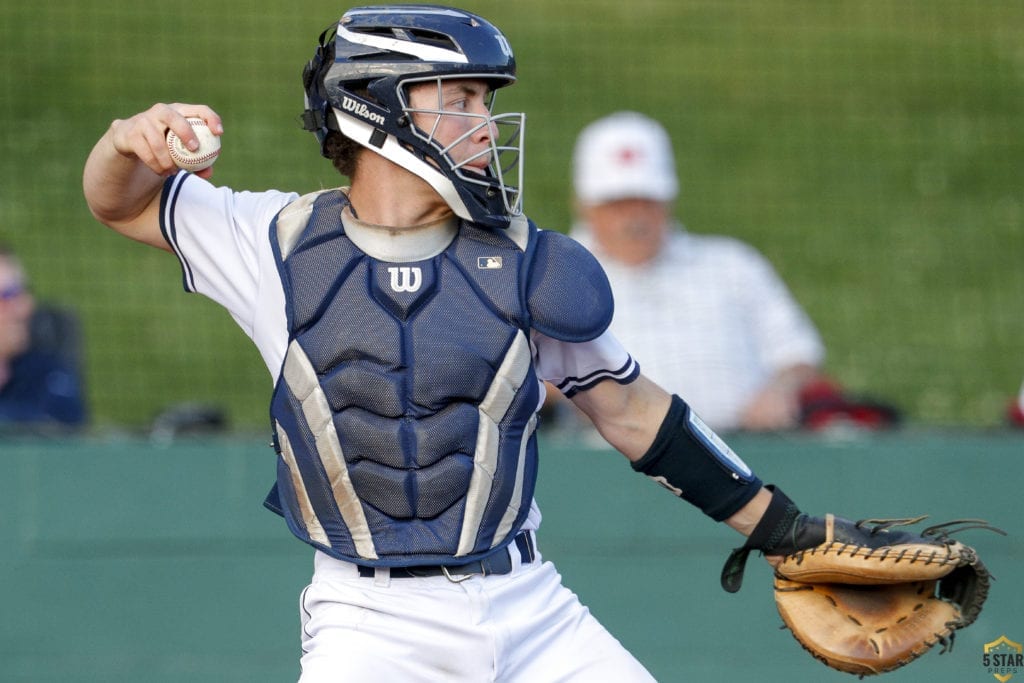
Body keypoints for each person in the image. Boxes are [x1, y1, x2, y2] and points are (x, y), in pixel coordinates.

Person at [82, 6, 849, 680]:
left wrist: (785, 531)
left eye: (485, 98)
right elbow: (115, 203)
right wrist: (125, 142)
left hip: (528, 604)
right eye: (461, 99)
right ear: (379, 109)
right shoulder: (273, 241)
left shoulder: (527, 261)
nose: (484, 121)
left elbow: (636, 413)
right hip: (366, 620)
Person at [568, 111, 897, 433]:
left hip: (746, 454)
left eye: (646, 201)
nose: (633, 219)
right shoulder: (556, 277)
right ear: (583, 204)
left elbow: (799, 354)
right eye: (617, 203)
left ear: (669, 198)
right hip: (608, 458)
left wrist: (780, 391)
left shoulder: (732, 263)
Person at [0, 244, 87, 429]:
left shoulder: (46, 373)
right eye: (8, 296)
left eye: (22, 292)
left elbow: (64, 426)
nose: (26, 308)